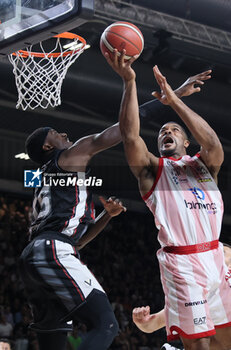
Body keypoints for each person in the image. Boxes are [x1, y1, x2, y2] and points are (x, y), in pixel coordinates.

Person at [19, 68, 211, 350]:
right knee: (106, 324)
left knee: (54, 339)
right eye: (56, 134)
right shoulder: (69, 157)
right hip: (51, 250)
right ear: (49, 146)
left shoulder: (47, 182)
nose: (64, 133)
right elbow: (125, 128)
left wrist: (104, 216)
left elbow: (76, 241)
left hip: (34, 256)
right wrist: (174, 95)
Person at [105, 48, 231, 350]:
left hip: (215, 258)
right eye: (162, 131)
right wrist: (129, 81)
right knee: (198, 345)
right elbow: (130, 136)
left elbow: (212, 141)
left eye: (173, 129)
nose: (166, 132)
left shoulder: (205, 167)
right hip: (182, 263)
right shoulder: (152, 170)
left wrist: (174, 100)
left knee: (224, 344)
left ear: (186, 142)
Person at [132, 243, 231, 350]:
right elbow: (151, 325)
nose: (217, 253)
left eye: (223, 252)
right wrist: (143, 323)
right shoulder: (197, 293)